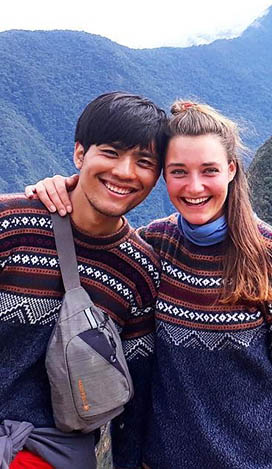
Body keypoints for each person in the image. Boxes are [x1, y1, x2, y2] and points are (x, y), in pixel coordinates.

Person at [28, 100, 272, 469]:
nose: (194, 186)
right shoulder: (153, 245)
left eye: (209, 170)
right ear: (163, 177)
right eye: (178, 172)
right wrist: (58, 192)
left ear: (231, 170)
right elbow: (139, 375)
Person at [1, 92, 166, 469]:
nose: (125, 172)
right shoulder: (11, 226)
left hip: (54, 455)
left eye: (143, 162)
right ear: (80, 154)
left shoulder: (138, 271)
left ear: (156, 177)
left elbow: (133, 398)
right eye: (110, 152)